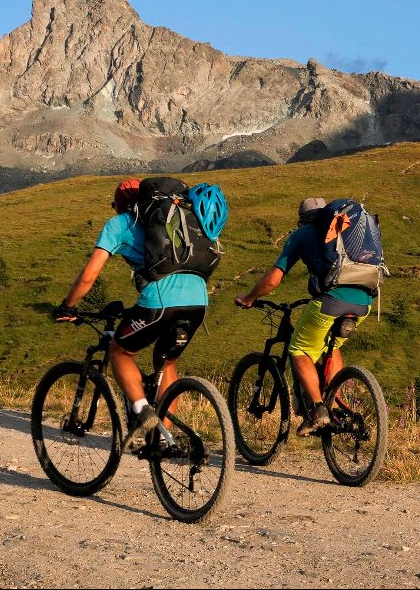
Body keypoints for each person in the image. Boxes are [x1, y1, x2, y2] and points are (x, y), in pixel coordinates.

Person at [53, 178, 210, 451]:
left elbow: (89, 275)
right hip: (198, 299)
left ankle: (143, 412)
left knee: (119, 351)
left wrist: (68, 305)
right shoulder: (178, 220)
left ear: (120, 205)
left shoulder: (119, 224)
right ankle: (163, 439)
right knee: (167, 362)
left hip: (160, 300)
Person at [235, 197, 374, 436]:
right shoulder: (346, 231)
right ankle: (333, 400)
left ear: (302, 220)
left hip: (331, 302)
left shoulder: (301, 235)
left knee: (298, 349)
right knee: (333, 345)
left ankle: (319, 410)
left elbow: (274, 278)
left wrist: (249, 297)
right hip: (365, 302)